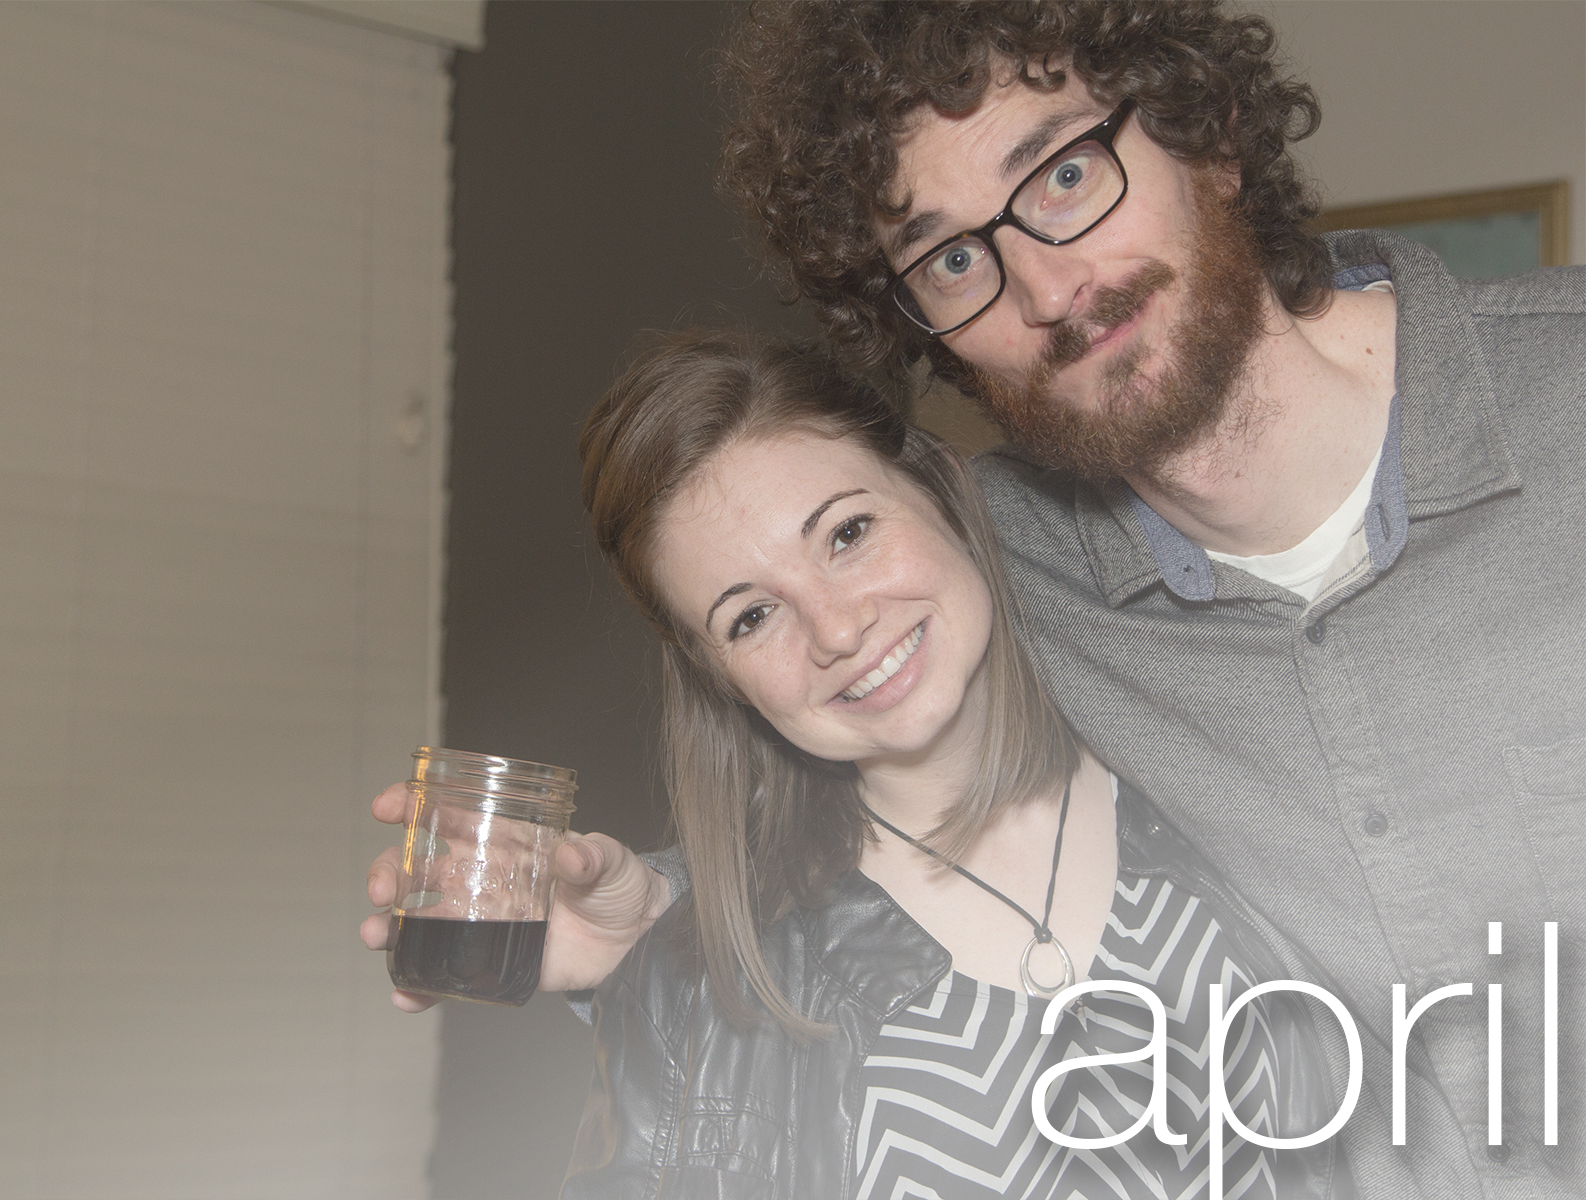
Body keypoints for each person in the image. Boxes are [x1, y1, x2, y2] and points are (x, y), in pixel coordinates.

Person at [364, 2, 1582, 1194]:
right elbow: (868, 757)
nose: (1046, 289)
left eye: (1063, 176)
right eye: (953, 260)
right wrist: (659, 925)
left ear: (1205, 131)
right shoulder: (1003, 556)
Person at [563, 330, 1349, 1199]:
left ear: (939, 486)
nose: (837, 629)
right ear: (722, 680)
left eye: (848, 533)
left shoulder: (1242, 767)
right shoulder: (692, 999)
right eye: (751, 617)